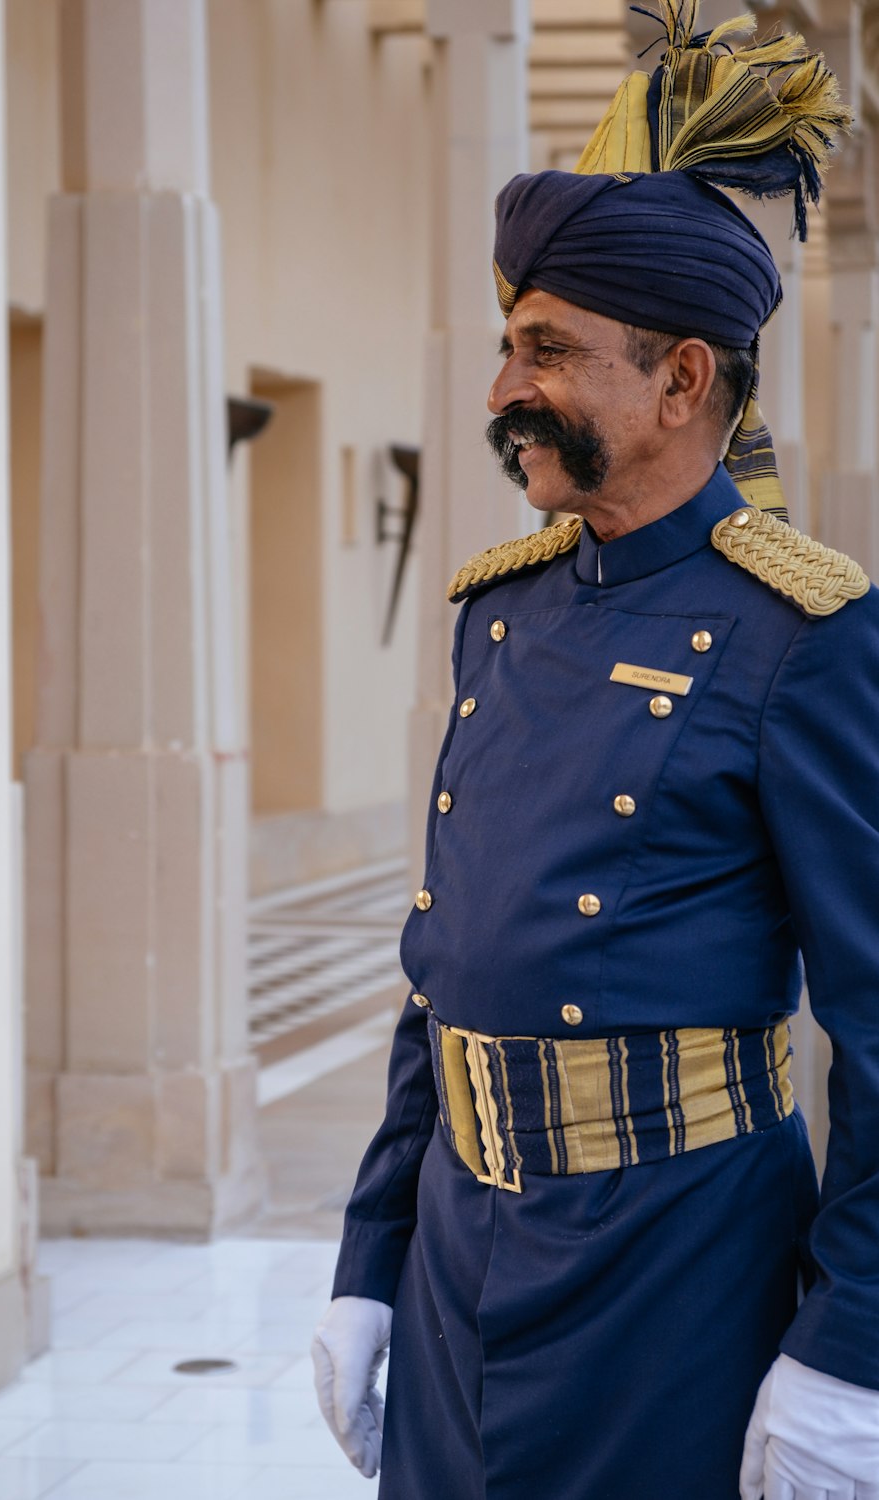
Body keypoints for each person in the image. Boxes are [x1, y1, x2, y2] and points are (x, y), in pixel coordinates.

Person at [311, 4, 879, 1496]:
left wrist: (848, 1354)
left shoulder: (800, 633)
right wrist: (373, 1257)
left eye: (548, 351)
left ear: (685, 380)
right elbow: (444, 965)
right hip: (458, 1263)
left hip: (678, 1273)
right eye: (509, 347)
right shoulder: (497, 616)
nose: (503, 391)